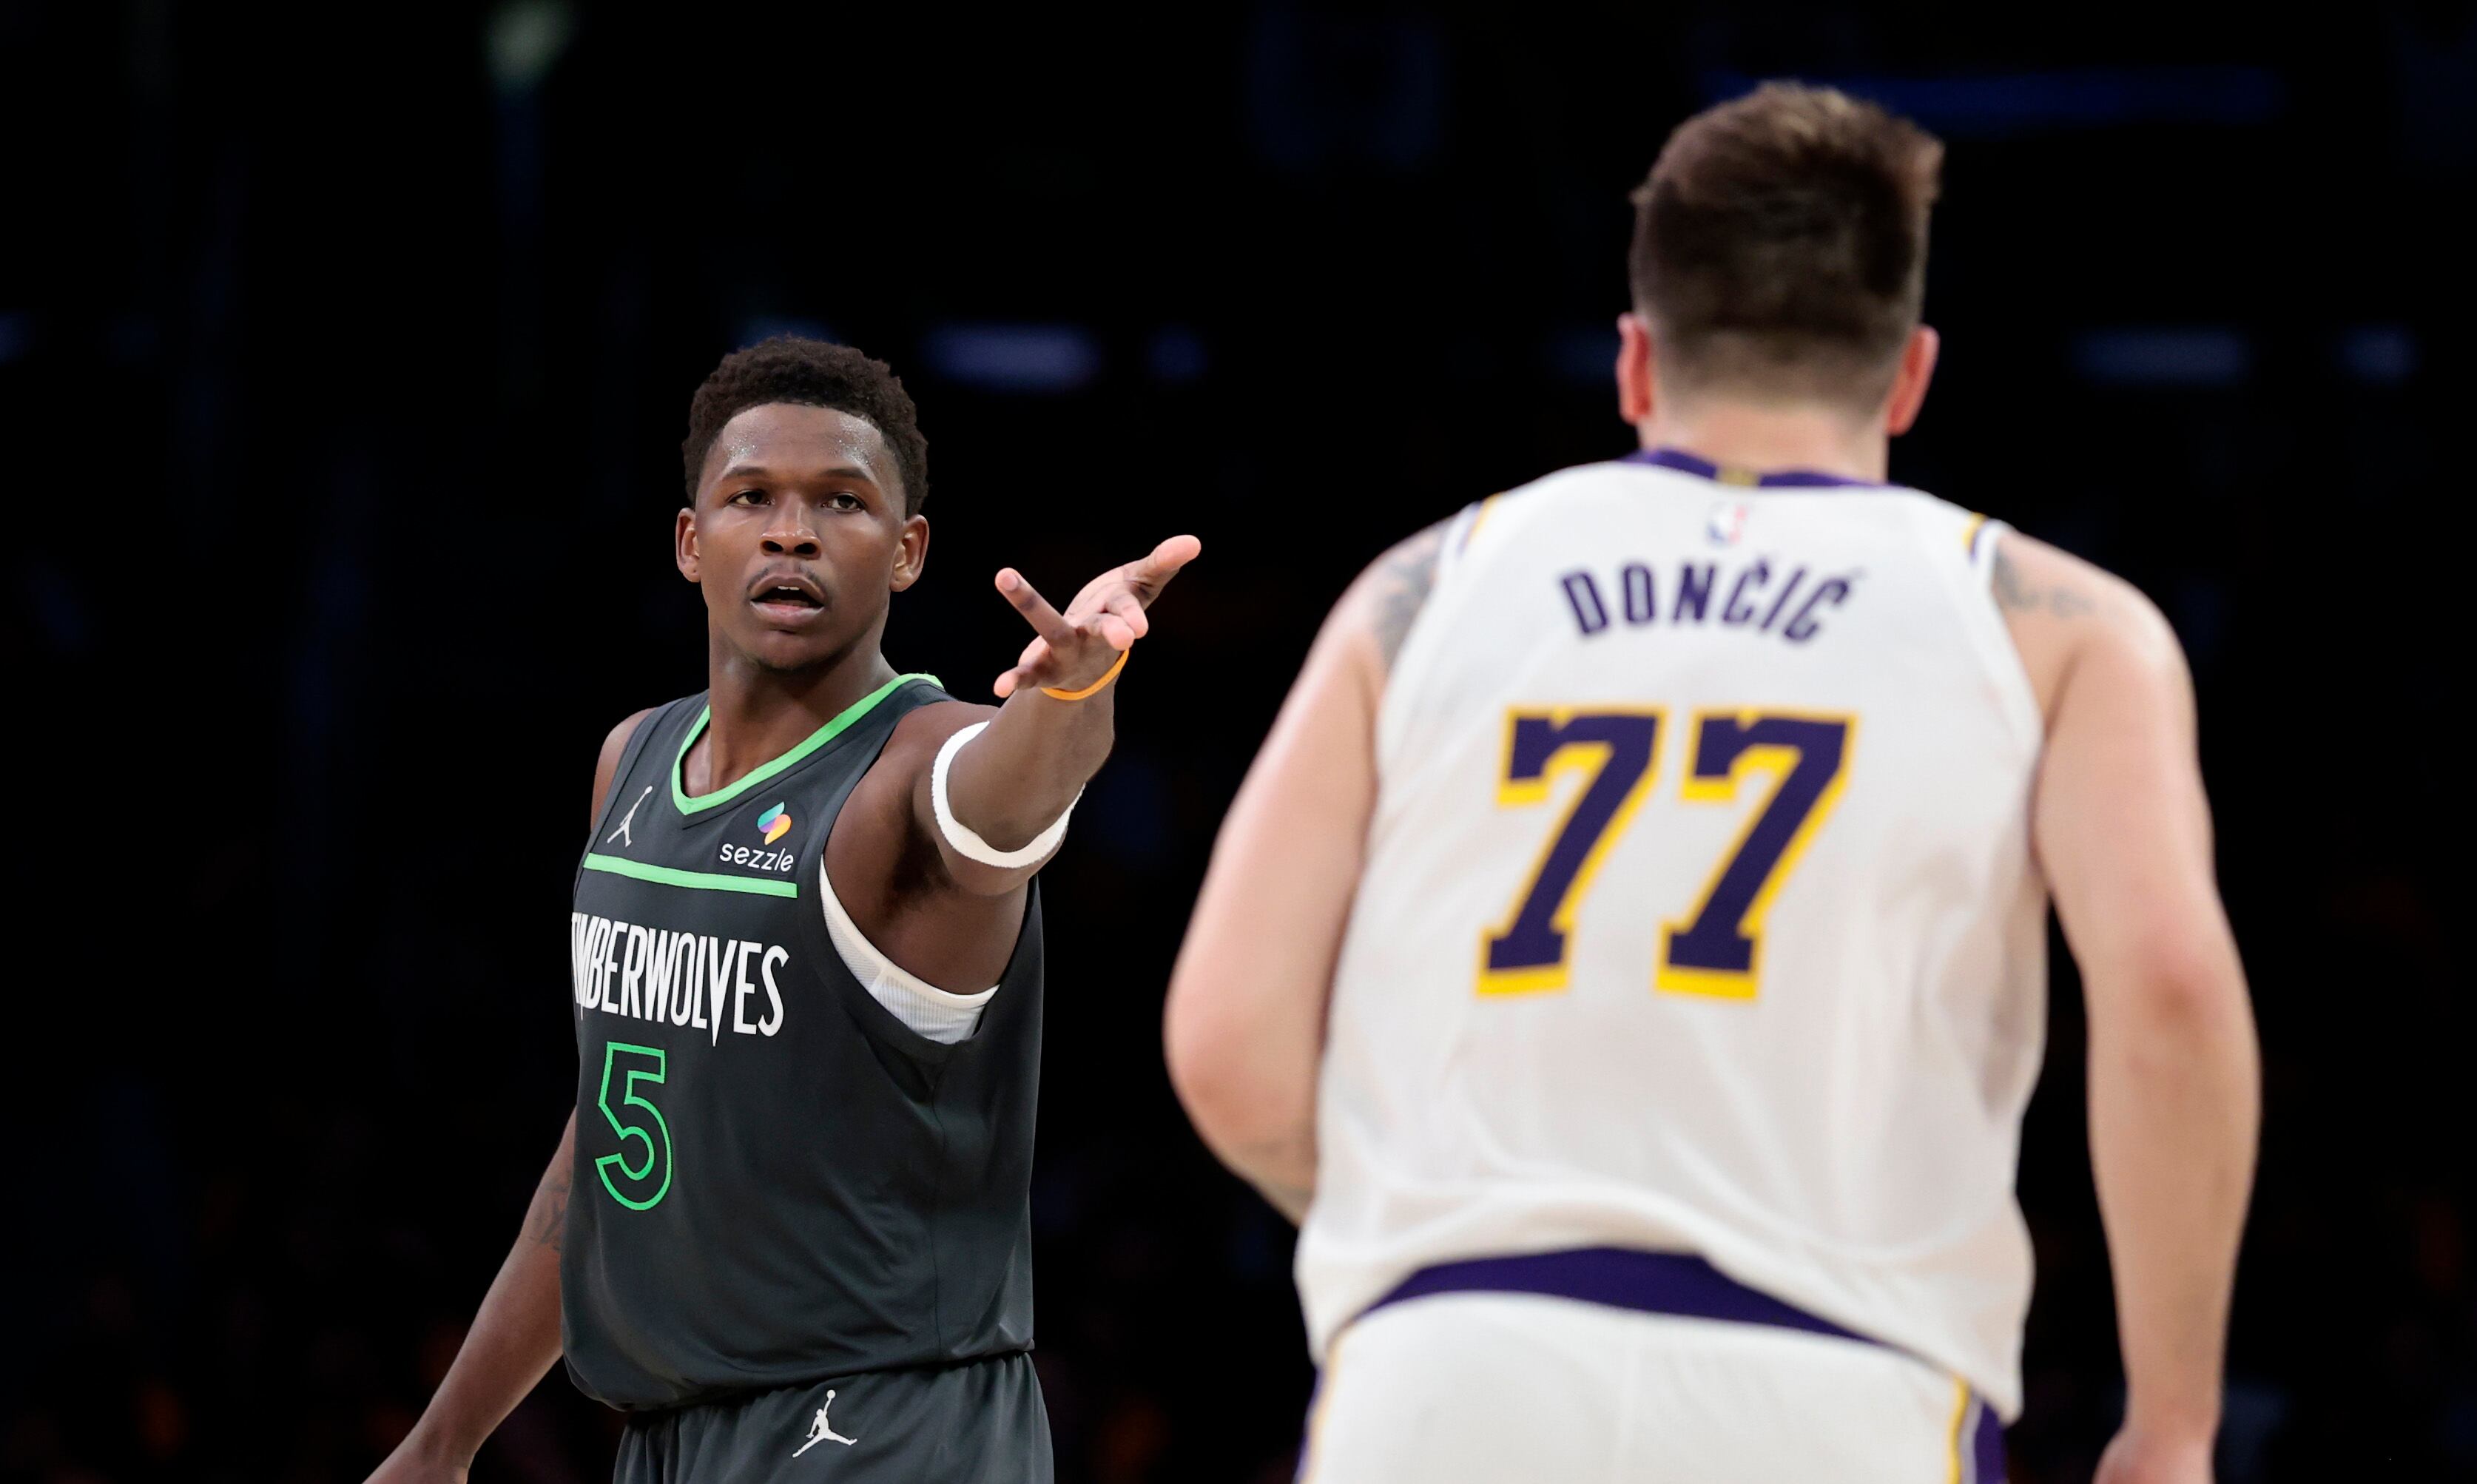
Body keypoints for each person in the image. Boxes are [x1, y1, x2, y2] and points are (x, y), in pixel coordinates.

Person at [1165, 82, 2258, 1484]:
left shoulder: (1426, 584)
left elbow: (1225, 1042)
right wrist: (2172, 1422)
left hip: (1449, 1372)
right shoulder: (2060, 622)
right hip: (1837, 1377)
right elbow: (2169, 982)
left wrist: (1436, 1213)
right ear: (1911, 374)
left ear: (1634, 362)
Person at [367, 335, 1198, 1483]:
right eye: (751, 495)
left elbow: (1006, 798)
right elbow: (612, 1139)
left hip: (891, 1430)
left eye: (841, 502)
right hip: (671, 1432)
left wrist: (1073, 699)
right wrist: (444, 1440)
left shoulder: (916, 766)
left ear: (908, 552)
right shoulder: (635, 760)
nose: (791, 530)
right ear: (690, 540)